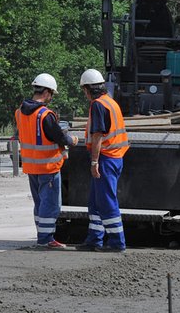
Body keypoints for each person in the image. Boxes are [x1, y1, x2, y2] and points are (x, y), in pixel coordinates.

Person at [15, 73, 79, 250]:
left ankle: (41, 235)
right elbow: (59, 137)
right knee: (50, 204)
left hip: (31, 167)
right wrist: (72, 140)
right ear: (48, 92)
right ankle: (46, 239)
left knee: (40, 204)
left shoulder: (20, 112)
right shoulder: (45, 115)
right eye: (52, 94)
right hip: (48, 167)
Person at [76, 69, 128, 252]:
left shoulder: (98, 105)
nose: (84, 93)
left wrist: (94, 162)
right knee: (96, 202)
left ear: (88, 89)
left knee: (106, 201)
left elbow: (97, 135)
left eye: (84, 89)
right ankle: (94, 239)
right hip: (114, 157)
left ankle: (117, 243)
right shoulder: (110, 102)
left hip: (106, 158)